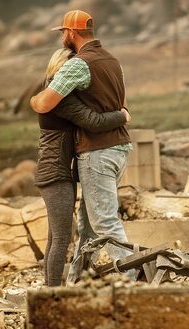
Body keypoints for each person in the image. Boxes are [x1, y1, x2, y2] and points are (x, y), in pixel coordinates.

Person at [31, 10, 135, 282]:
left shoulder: (79, 64)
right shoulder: (112, 61)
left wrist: (35, 100)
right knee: (87, 227)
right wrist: (123, 114)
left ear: (71, 33)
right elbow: (109, 104)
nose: (63, 36)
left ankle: (135, 278)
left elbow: (44, 103)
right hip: (119, 148)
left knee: (104, 222)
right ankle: (75, 280)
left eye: (63, 32)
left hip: (97, 152)